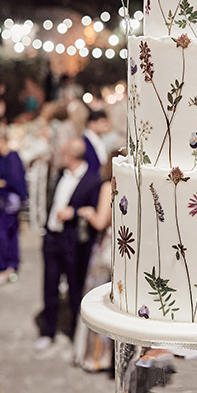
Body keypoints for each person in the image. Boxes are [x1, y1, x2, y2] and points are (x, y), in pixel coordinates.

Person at [35, 138, 101, 355]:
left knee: (75, 287)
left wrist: (74, 212)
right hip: (52, 238)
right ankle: (48, 331)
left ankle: (74, 332)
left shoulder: (92, 181)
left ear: (70, 155)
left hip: (74, 243)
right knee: (49, 285)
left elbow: (95, 213)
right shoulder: (58, 176)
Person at [73, 151, 120, 372]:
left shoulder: (108, 186)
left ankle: (97, 356)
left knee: (98, 302)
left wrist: (87, 212)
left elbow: (101, 221)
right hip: (126, 250)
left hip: (107, 249)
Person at [0, 127, 28, 285]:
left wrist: (1, 184)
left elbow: (16, 181)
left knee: (1, 232)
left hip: (10, 203)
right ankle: (12, 266)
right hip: (5, 202)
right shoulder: (2, 157)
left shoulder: (11, 157)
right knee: (10, 233)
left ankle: (7, 266)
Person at [83, 109, 111, 176]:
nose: (106, 125)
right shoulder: (84, 142)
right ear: (92, 124)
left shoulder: (100, 140)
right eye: (102, 122)